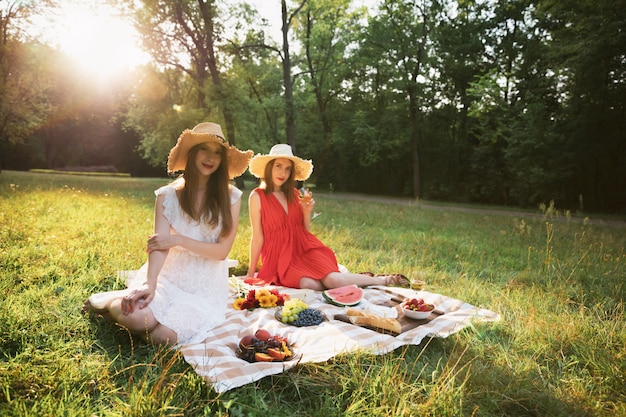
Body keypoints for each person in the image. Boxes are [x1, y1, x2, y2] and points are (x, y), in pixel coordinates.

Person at [83, 122, 253, 345]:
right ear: (191, 153)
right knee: (135, 318)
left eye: (217, 153)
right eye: (204, 149)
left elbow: (221, 252)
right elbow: (158, 244)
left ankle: (110, 306)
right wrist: (150, 283)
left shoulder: (232, 197)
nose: (210, 157)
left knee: (163, 338)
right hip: (167, 276)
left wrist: (178, 239)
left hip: (204, 288)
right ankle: (109, 303)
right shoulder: (167, 195)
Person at [244, 144, 411, 290]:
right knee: (310, 285)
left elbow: (303, 231)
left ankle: (383, 279)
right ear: (269, 168)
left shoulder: (295, 194)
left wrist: (307, 212)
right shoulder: (257, 196)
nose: (283, 173)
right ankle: (356, 279)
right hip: (279, 257)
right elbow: (257, 237)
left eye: (288, 168)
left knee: (333, 280)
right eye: (278, 166)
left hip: (304, 249)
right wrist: (250, 273)